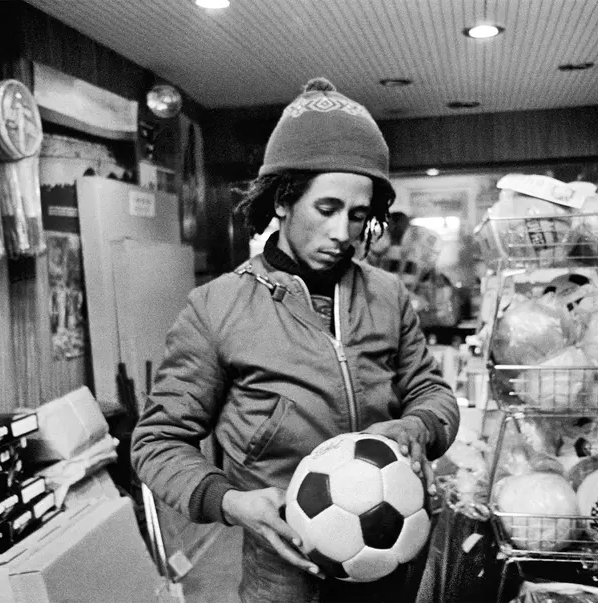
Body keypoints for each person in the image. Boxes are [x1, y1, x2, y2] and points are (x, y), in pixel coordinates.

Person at [131, 77, 459, 603]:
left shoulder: (387, 294)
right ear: (283, 201)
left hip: (388, 558)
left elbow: (432, 392)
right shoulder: (216, 308)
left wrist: (420, 425)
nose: (343, 234)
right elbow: (157, 441)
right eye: (326, 209)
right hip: (282, 573)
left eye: (359, 215)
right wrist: (228, 500)